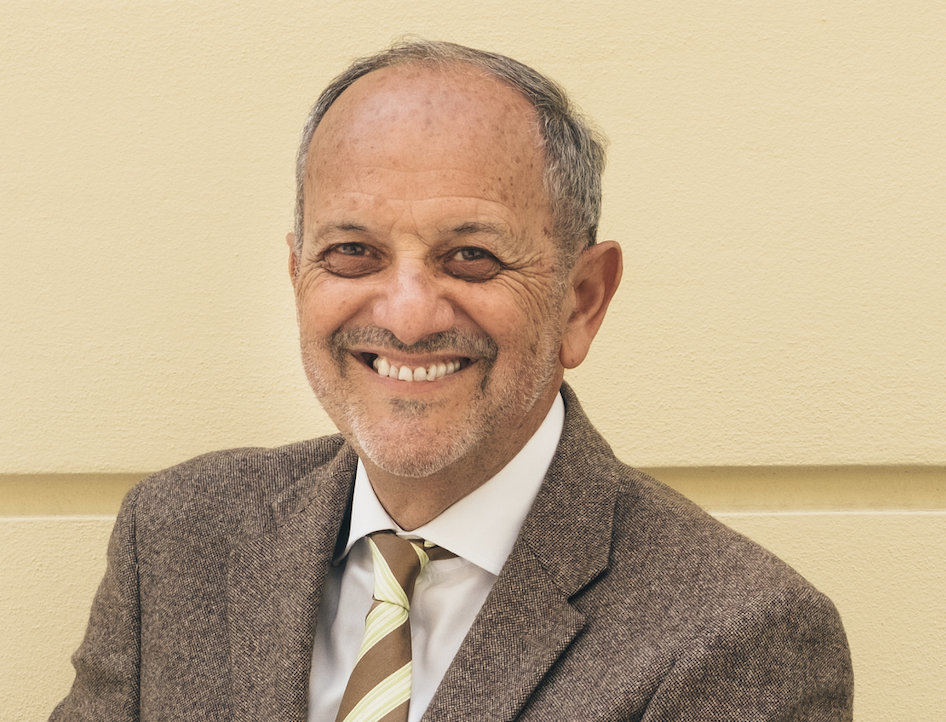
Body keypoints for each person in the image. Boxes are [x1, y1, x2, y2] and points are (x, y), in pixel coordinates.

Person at [51, 40, 852, 721]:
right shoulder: (176, 539)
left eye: (471, 257)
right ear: (298, 276)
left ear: (581, 300)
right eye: (353, 253)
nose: (406, 317)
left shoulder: (741, 635)